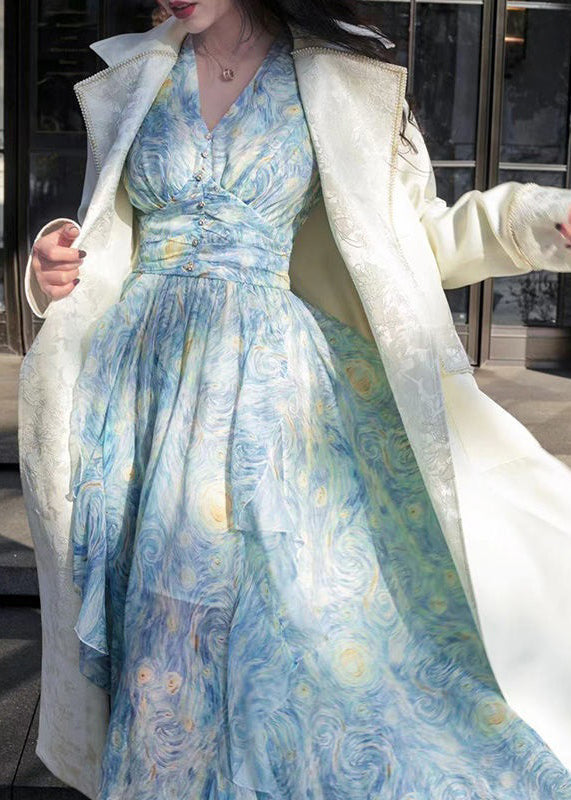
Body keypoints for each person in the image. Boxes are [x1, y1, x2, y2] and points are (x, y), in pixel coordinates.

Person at [18, 0, 571, 798]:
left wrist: (532, 219)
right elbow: (104, 232)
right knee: (165, 627)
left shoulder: (341, 73)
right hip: (138, 388)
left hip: (272, 390)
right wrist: (50, 264)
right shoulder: (139, 71)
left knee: (290, 632)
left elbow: (412, 239)